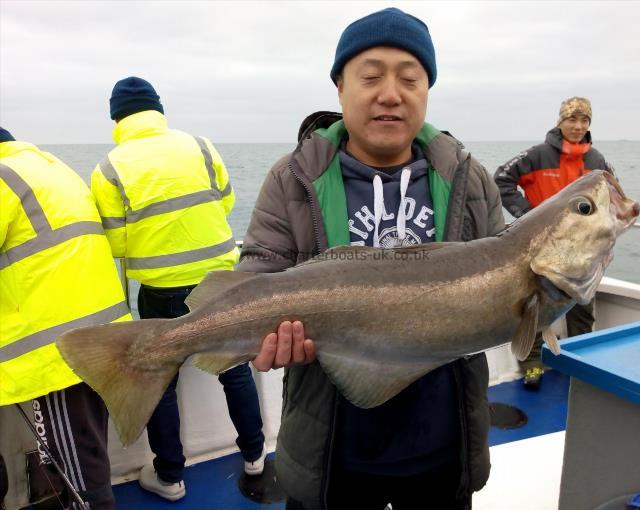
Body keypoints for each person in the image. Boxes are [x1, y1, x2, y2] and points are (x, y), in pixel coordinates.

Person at [240, 8, 505, 510]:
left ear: (427, 91)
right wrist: (261, 339)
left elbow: (505, 279)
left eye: (410, 78)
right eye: (370, 76)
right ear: (340, 88)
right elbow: (256, 274)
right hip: (330, 454)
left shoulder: (470, 180)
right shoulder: (292, 178)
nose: (391, 93)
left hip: (444, 449)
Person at [90, 78, 266, 501]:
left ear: (116, 118)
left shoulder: (109, 168)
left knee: (159, 380)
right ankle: (256, 455)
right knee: (233, 367)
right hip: (219, 279)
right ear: (159, 108)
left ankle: (170, 476)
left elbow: (115, 243)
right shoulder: (201, 146)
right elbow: (225, 202)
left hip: (161, 288)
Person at [0, 127, 132, 509]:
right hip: (99, 333)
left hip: (55, 350)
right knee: (87, 449)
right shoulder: (48, 166)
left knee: (76, 468)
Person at [493, 96, 616, 388]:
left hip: (582, 252)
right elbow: (501, 179)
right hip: (540, 249)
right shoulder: (536, 155)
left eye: (584, 120)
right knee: (534, 305)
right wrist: (527, 215)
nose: (577, 126)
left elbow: (612, 195)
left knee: (583, 307)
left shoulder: (597, 161)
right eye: (571, 119)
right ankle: (531, 363)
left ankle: (580, 362)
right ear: (560, 121)